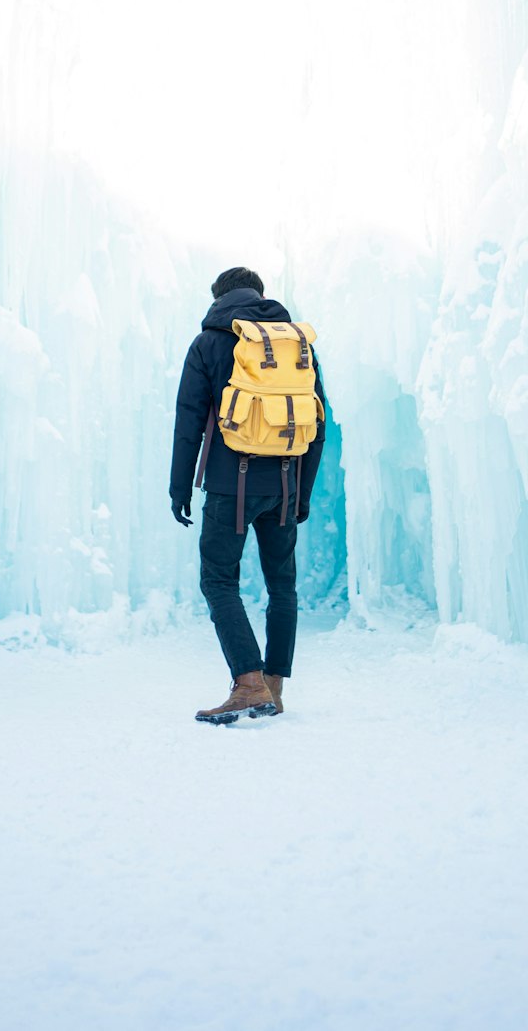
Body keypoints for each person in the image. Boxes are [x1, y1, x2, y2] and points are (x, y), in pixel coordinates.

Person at [169, 266, 328, 723]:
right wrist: (301, 492)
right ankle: (273, 688)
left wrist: (180, 488)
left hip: (228, 487)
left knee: (219, 581)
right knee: (282, 585)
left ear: (218, 297)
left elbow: (188, 423)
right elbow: (316, 426)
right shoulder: (297, 345)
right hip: (284, 481)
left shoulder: (210, 343)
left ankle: (249, 684)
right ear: (260, 296)